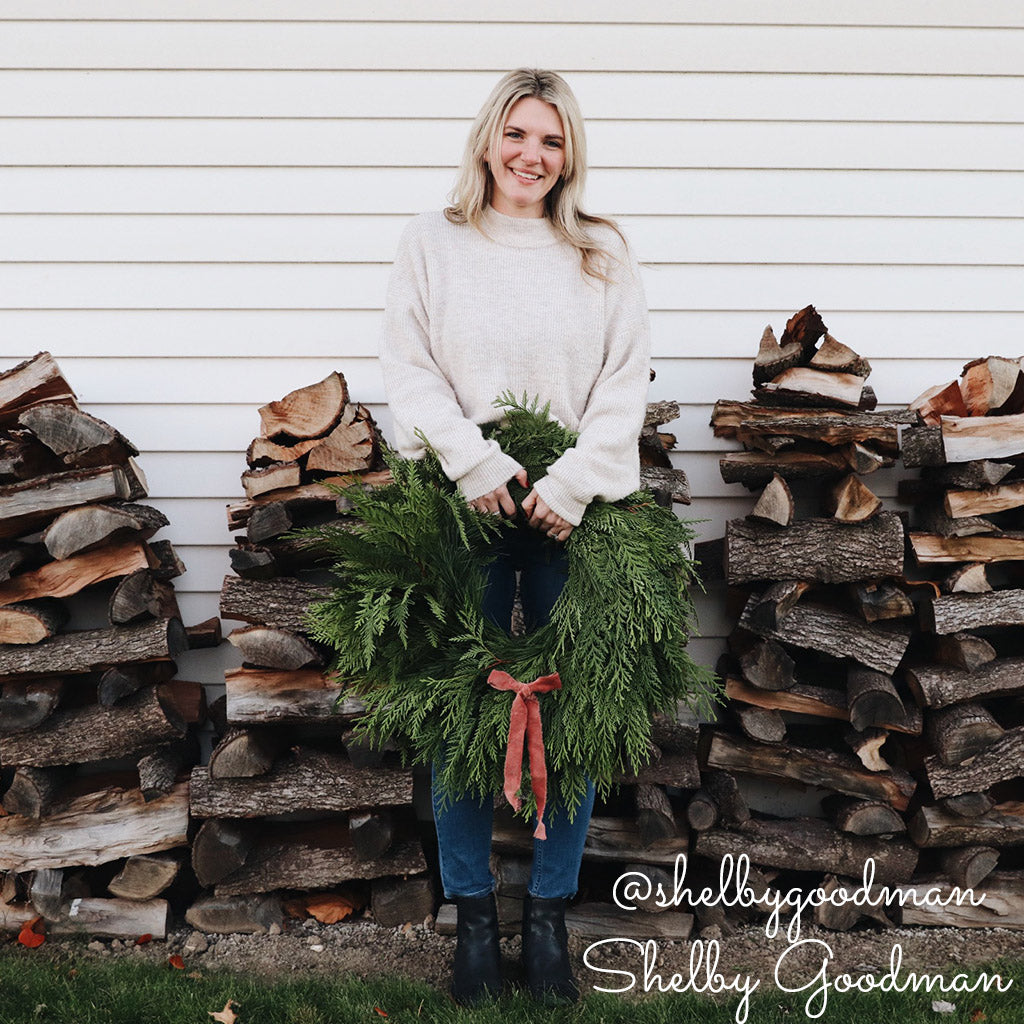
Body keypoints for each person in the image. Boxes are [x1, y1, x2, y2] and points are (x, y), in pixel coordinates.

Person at [379, 68, 651, 1006]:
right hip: (468, 506)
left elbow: (623, 385)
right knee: (463, 713)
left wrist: (573, 483)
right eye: (518, 134)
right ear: (489, 139)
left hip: (573, 513)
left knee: (571, 713)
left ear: (569, 153)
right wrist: (476, 463)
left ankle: (547, 921)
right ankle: (472, 923)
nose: (532, 155)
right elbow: (410, 372)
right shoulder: (434, 242)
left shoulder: (602, 252)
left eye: (552, 139)